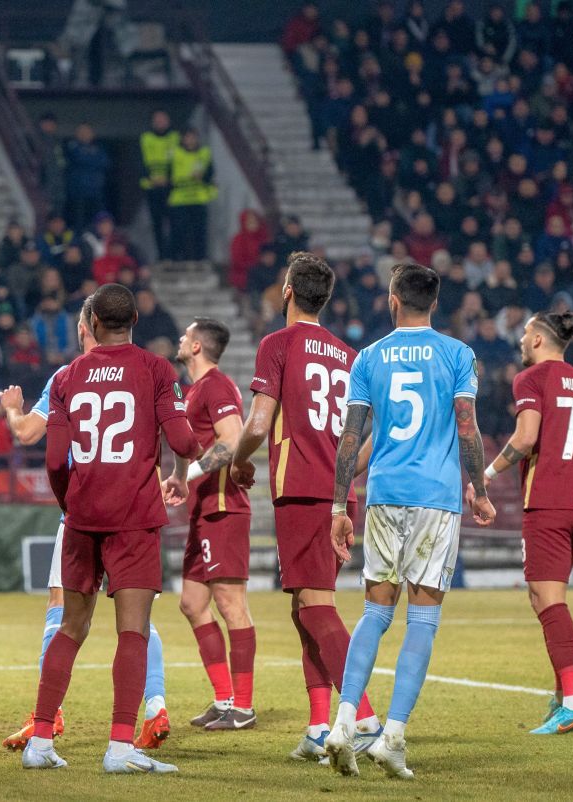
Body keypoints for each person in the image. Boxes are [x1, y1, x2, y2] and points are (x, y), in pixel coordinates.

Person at [326, 262, 496, 779]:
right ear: (435, 303)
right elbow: (466, 428)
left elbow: (351, 438)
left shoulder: (369, 357)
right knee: (422, 618)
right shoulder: (457, 354)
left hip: (383, 494)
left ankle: (342, 724)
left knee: (375, 613)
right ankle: (392, 737)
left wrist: (339, 505)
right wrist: (480, 490)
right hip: (435, 498)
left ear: (393, 300)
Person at [20, 283, 197, 774]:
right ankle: (120, 746)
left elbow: (55, 459)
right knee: (133, 630)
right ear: (134, 322)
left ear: (92, 324)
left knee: (70, 629)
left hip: (82, 518)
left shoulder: (67, 376)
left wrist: (69, 501)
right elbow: (183, 439)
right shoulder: (157, 369)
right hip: (134, 519)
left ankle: (39, 740)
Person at [229, 251, 382, 764]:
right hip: (338, 493)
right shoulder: (349, 355)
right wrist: (346, 477)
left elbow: (256, 424)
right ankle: (320, 726)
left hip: (301, 490)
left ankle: (363, 718)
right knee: (304, 608)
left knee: (317, 607)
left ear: (289, 290)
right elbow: (369, 432)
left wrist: (236, 463)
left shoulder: (278, 344)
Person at [473, 311, 573, 734]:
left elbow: (526, 439)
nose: (522, 342)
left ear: (541, 341)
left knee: (548, 601)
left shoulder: (531, 379)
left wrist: (484, 478)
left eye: (526, 335)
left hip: (548, 500)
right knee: (544, 596)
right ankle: (564, 695)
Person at [162, 318, 257, 730]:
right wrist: (181, 478)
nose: (181, 339)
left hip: (223, 509)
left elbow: (233, 440)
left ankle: (244, 708)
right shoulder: (193, 391)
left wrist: (191, 474)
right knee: (192, 604)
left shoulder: (216, 385)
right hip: (203, 512)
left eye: (186, 335)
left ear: (197, 347)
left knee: (230, 604)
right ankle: (223, 700)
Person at [167, 128, 216, 262]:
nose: (190, 140)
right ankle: (177, 257)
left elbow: (210, 174)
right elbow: (169, 174)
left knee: (199, 230)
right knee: (178, 231)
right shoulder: (176, 153)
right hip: (180, 199)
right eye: (187, 137)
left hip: (198, 198)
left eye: (192, 137)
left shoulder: (204, 153)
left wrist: (203, 176)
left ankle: (200, 257)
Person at [139, 110, 178, 259]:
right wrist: (151, 179)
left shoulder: (175, 137)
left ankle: (174, 254)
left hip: (172, 187)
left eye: (163, 119)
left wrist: (169, 178)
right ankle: (162, 256)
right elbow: (141, 162)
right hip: (152, 188)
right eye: (158, 119)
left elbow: (180, 160)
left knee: (175, 223)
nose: (160, 122)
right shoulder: (146, 138)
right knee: (157, 224)